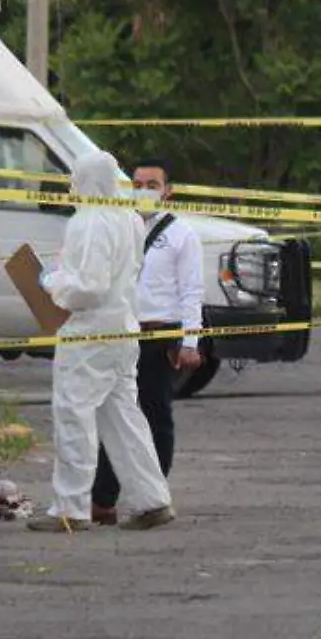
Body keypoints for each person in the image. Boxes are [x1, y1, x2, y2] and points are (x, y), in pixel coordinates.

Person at [34, 151, 176, 533]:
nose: (70, 187)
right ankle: (152, 500)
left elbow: (89, 288)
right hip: (123, 330)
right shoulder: (129, 218)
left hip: (89, 333)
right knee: (124, 418)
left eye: (74, 179)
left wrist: (52, 282)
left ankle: (71, 508)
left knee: (73, 415)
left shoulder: (88, 221)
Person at [90, 160, 203, 526]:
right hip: (122, 332)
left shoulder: (182, 234)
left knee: (155, 416)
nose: (143, 190)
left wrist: (190, 340)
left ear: (167, 191)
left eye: (152, 184)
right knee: (113, 415)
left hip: (160, 335)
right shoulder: (119, 226)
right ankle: (102, 499)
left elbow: (191, 291)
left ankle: (156, 494)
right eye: (137, 183)